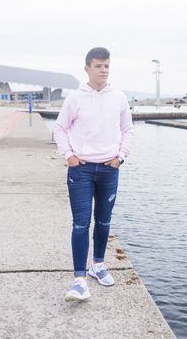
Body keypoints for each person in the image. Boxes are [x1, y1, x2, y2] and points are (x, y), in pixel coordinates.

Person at [54, 47, 133, 301]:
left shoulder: (118, 97)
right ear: (87, 68)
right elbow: (60, 128)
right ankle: (79, 281)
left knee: (103, 221)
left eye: (107, 66)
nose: (103, 70)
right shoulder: (75, 98)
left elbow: (128, 130)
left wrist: (120, 158)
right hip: (82, 169)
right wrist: (69, 156)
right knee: (80, 223)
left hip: (109, 169)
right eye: (98, 66)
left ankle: (98, 265)